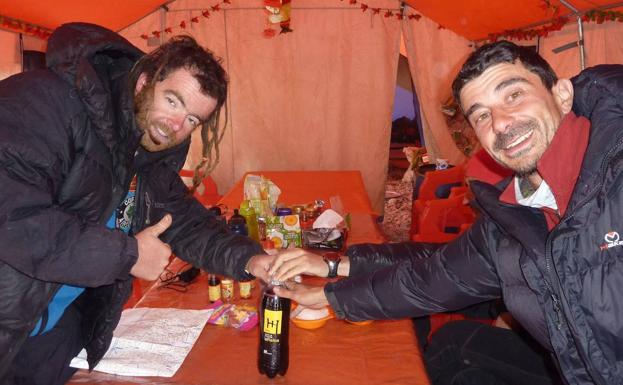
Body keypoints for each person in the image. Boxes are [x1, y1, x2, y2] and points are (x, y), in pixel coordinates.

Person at [269, 41, 623, 385]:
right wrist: (330, 280)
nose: (500, 123)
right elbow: (434, 274)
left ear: (562, 96)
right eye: (482, 115)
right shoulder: (515, 215)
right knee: (453, 351)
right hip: (575, 368)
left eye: (513, 95)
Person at [0, 23, 273, 385]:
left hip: (52, 330)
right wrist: (128, 254)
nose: (176, 125)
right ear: (144, 81)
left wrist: (252, 260)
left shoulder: (144, 149)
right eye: (173, 100)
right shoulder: (40, 103)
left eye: (192, 119)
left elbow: (188, 222)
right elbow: (15, 219)